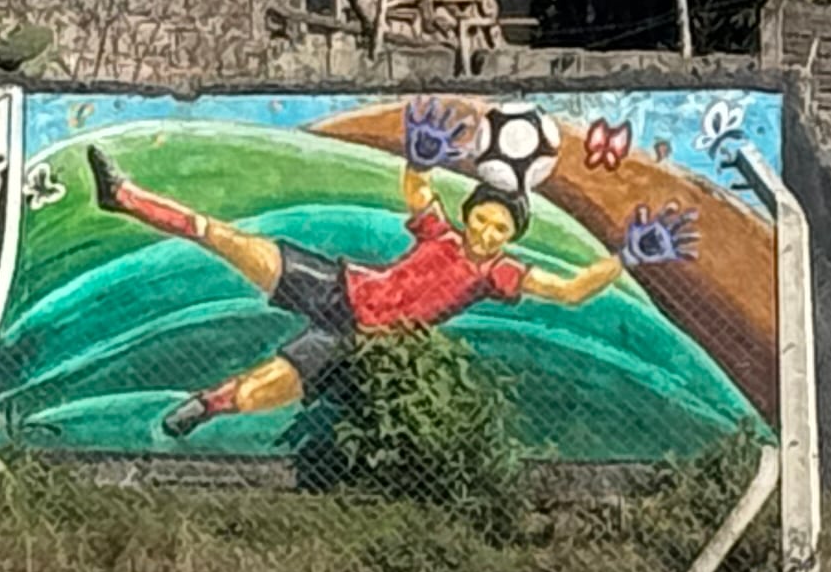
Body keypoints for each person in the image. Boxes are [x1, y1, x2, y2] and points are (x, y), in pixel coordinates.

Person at [84, 143, 624, 438]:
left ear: (510, 239)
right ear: (469, 216)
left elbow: (572, 290)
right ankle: (125, 196)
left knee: (257, 389)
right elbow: (417, 191)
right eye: (482, 221)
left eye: (499, 230)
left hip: (359, 339)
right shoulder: (440, 233)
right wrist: (422, 157)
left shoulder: (498, 274)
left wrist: (625, 257)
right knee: (224, 236)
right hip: (336, 287)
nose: (487, 234)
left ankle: (205, 406)